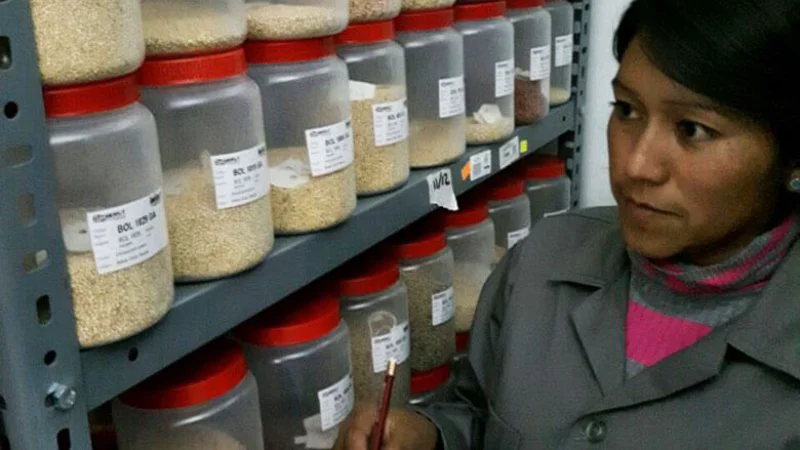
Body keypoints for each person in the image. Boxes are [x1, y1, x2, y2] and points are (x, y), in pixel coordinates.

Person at [335, 0, 800, 448]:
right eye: (627, 111)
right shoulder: (542, 260)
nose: (637, 165)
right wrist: (430, 437)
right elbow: (476, 410)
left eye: (692, 130)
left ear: (791, 157)